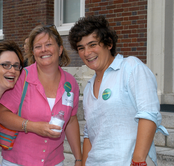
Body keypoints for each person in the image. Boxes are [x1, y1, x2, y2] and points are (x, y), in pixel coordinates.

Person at [68, 15, 169, 166]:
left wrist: (138, 160)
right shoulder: (89, 87)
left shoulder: (130, 67)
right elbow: (90, 134)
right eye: (81, 48)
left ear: (108, 44)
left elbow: (149, 114)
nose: (86, 52)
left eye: (92, 44)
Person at [0, 25, 82, 166]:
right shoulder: (21, 77)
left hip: (54, 161)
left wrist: (78, 158)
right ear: (33, 52)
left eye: (48, 44)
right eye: (38, 46)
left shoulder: (71, 82)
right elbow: (1, 113)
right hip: (18, 162)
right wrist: (32, 126)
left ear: (60, 49)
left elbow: (71, 120)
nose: (44, 49)